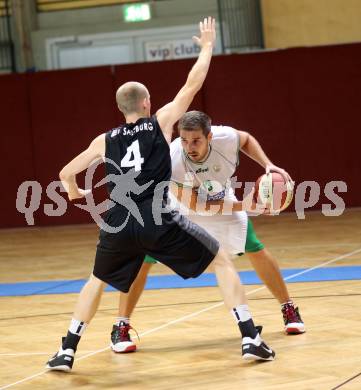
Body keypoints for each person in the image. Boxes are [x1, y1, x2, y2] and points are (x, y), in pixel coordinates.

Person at [46, 18, 275, 373]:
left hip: (118, 222)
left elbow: (65, 174)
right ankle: (249, 337)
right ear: (147, 102)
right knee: (220, 262)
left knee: (96, 281)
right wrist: (207, 47)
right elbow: (192, 83)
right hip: (157, 217)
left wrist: (76, 192)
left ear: (121, 108)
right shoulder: (159, 122)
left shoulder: (104, 140)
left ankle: (66, 350)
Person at [110, 110, 305, 354]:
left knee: (253, 246)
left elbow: (245, 139)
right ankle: (121, 325)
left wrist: (267, 164)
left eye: (195, 141)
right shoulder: (173, 160)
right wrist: (244, 205)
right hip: (177, 204)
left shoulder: (225, 138)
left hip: (217, 195)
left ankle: (288, 308)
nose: (189, 146)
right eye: (184, 140)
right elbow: (195, 206)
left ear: (210, 136)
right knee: (143, 259)